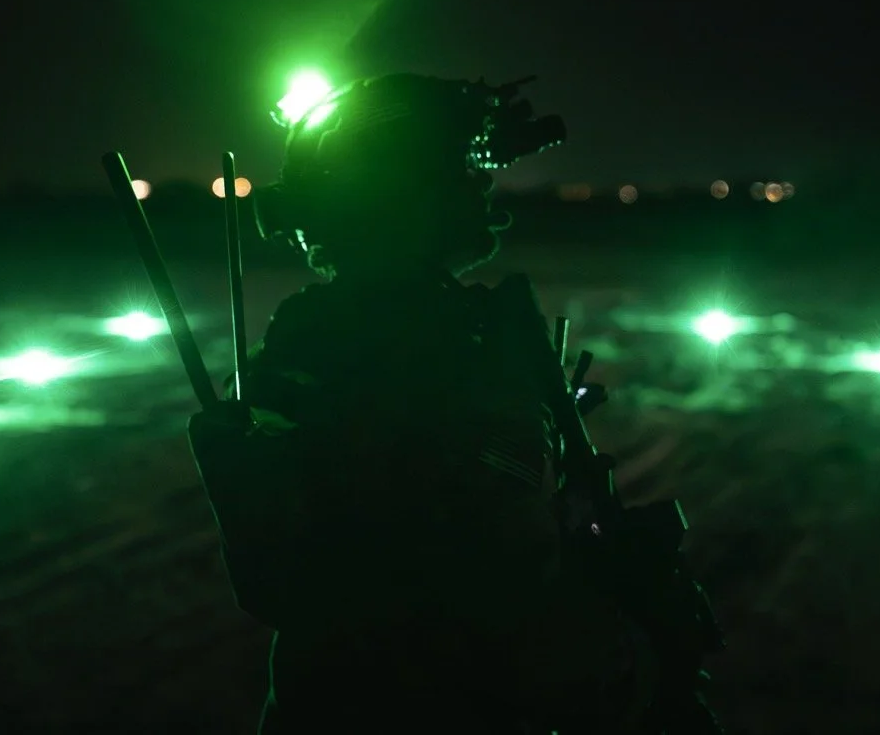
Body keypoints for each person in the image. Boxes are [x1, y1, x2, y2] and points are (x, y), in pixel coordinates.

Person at [189, 74, 658, 734]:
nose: (482, 184)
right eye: (461, 167)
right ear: (403, 192)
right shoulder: (402, 346)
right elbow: (474, 582)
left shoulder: (331, 331)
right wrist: (618, 657)